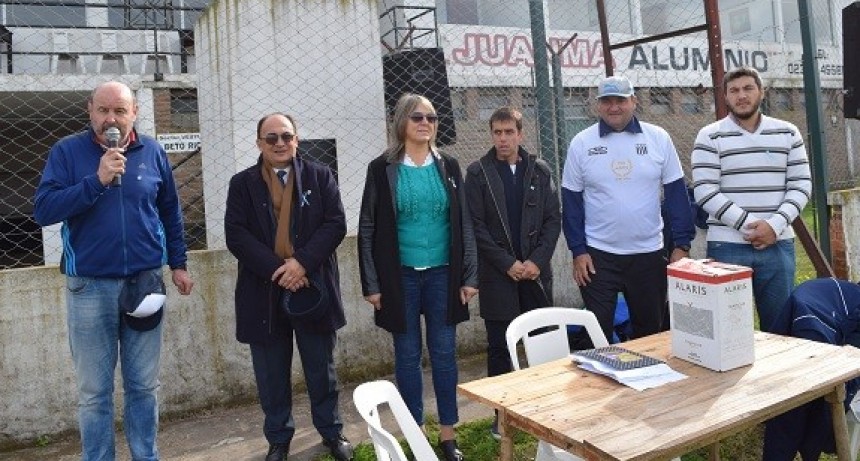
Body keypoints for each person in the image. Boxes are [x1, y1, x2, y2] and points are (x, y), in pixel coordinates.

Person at [33, 81, 194, 461]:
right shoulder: (67, 152)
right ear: (90, 111)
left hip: (144, 284)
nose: (111, 119)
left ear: (134, 112)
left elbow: (170, 211)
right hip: (89, 287)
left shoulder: (152, 151)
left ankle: (145, 456)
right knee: (94, 393)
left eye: (120, 111)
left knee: (144, 387)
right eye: (103, 110)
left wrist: (179, 263)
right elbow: (44, 210)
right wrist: (97, 181)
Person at [224, 113, 353, 461]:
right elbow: (236, 235)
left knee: (321, 369)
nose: (279, 143)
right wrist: (279, 270)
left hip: (312, 286)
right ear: (259, 143)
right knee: (271, 375)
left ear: (296, 140)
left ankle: (332, 432)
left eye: (286, 136)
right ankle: (279, 439)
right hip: (263, 290)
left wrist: (301, 263)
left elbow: (335, 224)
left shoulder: (320, 175)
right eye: (271, 138)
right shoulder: (242, 184)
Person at [357, 93, 478, 461]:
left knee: (444, 354)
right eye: (417, 117)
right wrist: (372, 284)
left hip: (443, 276)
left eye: (432, 117)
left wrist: (470, 276)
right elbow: (367, 227)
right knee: (408, 357)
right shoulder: (382, 168)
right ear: (402, 123)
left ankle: (448, 434)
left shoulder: (449, 166)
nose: (425, 123)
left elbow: (464, 223)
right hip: (400, 279)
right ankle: (417, 433)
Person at [561, 75, 695, 343]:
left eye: (620, 100)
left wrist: (682, 245)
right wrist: (578, 250)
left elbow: (677, 195)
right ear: (597, 105)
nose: (614, 107)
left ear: (634, 101)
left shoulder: (658, 138)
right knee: (596, 338)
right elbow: (571, 202)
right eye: (606, 101)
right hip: (597, 257)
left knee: (650, 335)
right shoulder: (581, 143)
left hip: (649, 254)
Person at [691, 66, 811, 332]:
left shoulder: (788, 133)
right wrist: (753, 227)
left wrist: (774, 226)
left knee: (780, 329)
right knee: (730, 331)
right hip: (727, 245)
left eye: (748, 88)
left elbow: (801, 184)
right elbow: (705, 190)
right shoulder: (709, 135)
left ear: (761, 92)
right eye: (734, 90)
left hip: (778, 243)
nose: (741, 95)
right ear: (725, 96)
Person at [464, 107, 561, 437]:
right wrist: (507, 263)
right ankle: (502, 414)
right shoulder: (478, 173)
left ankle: (545, 408)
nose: (503, 139)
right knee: (499, 347)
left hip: (535, 274)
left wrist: (536, 261)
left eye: (509, 132)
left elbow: (552, 220)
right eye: (497, 132)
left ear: (521, 134)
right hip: (498, 275)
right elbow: (476, 226)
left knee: (541, 341)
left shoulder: (540, 170)